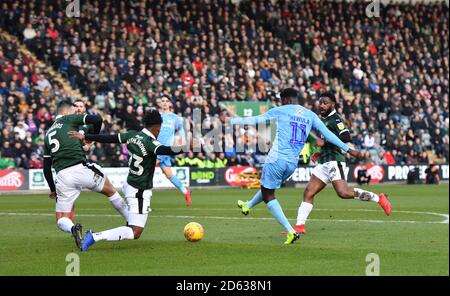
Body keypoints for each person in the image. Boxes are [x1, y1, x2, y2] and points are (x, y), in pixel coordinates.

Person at [232, 88, 362, 244]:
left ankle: (291, 231)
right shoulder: (310, 114)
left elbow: (255, 120)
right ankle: (248, 205)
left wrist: (231, 121)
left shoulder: (280, 110)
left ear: (286, 100)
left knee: (268, 195)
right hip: (292, 164)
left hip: (276, 159)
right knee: (268, 187)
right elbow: (329, 135)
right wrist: (349, 150)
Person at [68, 110, 186, 252]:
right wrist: (184, 148)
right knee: (135, 232)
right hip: (140, 190)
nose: (159, 132)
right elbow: (166, 150)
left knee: (131, 222)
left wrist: (85, 136)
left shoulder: (132, 135)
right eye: (159, 130)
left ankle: (125, 222)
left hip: (130, 183)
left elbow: (109, 138)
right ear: (156, 128)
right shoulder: (151, 143)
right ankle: (94, 236)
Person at [287, 93, 391, 235]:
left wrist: (325, 142)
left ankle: (379, 198)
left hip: (335, 161)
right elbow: (328, 141)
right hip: (324, 161)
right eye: (320, 102)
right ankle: (299, 226)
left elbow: (346, 136)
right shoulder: (323, 120)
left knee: (343, 193)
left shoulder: (336, 120)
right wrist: (320, 151)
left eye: (325, 103)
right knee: (308, 192)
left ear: (333, 104)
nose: (322, 105)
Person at [43, 101, 129, 249]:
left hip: (63, 176)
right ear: (66, 111)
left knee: (61, 219)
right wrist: (90, 138)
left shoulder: (47, 134)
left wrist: (52, 189)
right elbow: (97, 119)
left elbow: (46, 168)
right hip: (81, 169)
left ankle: (73, 229)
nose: (76, 111)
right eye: (73, 109)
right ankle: (131, 219)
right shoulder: (67, 119)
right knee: (110, 191)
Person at [158, 96, 192, 206]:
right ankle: (185, 191)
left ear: (170, 104)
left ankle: (144, 202)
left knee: (147, 171)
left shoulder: (174, 118)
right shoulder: (157, 116)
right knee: (168, 174)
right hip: (154, 147)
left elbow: (181, 129)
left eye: (166, 101)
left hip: (165, 149)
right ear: (160, 103)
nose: (164, 103)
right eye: (162, 101)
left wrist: (182, 142)